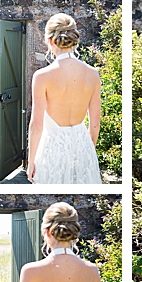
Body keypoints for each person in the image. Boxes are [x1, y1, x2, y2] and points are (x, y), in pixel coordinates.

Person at [26, 13, 102, 184]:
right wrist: (88, 151)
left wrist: (31, 162)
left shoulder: (42, 76)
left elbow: (36, 125)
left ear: (50, 41)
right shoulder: (93, 74)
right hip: (83, 146)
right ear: (73, 39)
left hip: (52, 149)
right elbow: (95, 123)